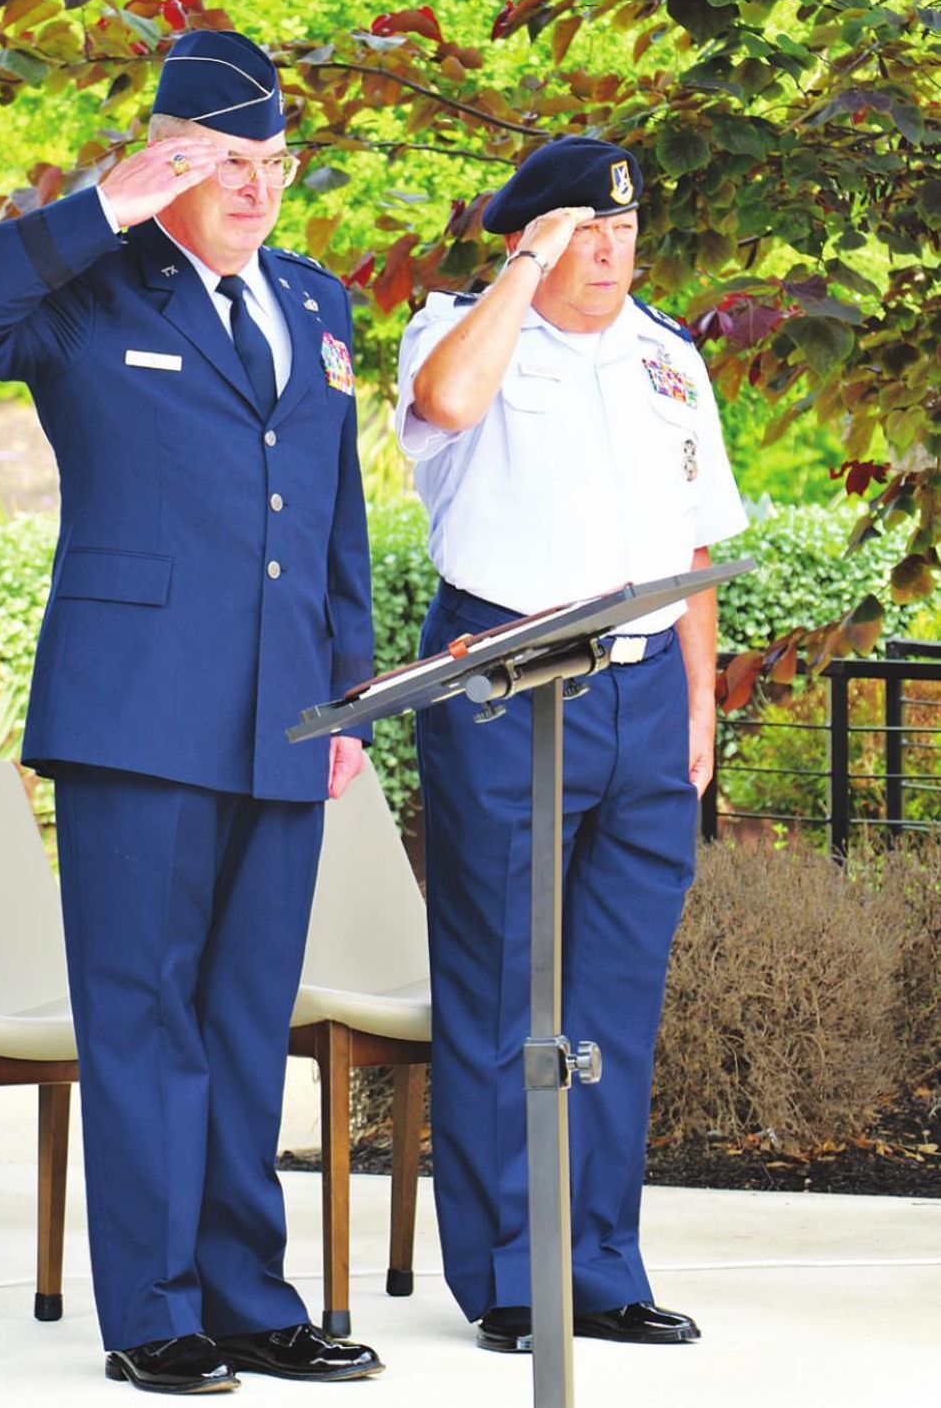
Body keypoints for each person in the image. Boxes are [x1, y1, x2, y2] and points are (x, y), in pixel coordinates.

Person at [0, 29, 383, 1394]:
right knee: (144, 1018)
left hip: (283, 719)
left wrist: (346, 691)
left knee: (248, 1019)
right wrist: (106, 202)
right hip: (134, 718)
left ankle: (249, 1296)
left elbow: (334, 516)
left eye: (271, 162)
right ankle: (156, 1314)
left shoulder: (317, 303)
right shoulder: (91, 287)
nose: (255, 188)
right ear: (164, 164)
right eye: (220, 163)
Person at [394, 136, 748, 1351]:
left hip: (647, 694)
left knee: (612, 995)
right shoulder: (460, 334)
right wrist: (518, 276)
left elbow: (696, 544)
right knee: (502, 984)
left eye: (624, 229)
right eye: (581, 230)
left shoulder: (667, 359)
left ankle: (600, 1261)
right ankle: (509, 1275)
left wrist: (701, 704)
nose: (609, 250)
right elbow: (443, 407)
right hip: (504, 683)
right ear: (531, 236)